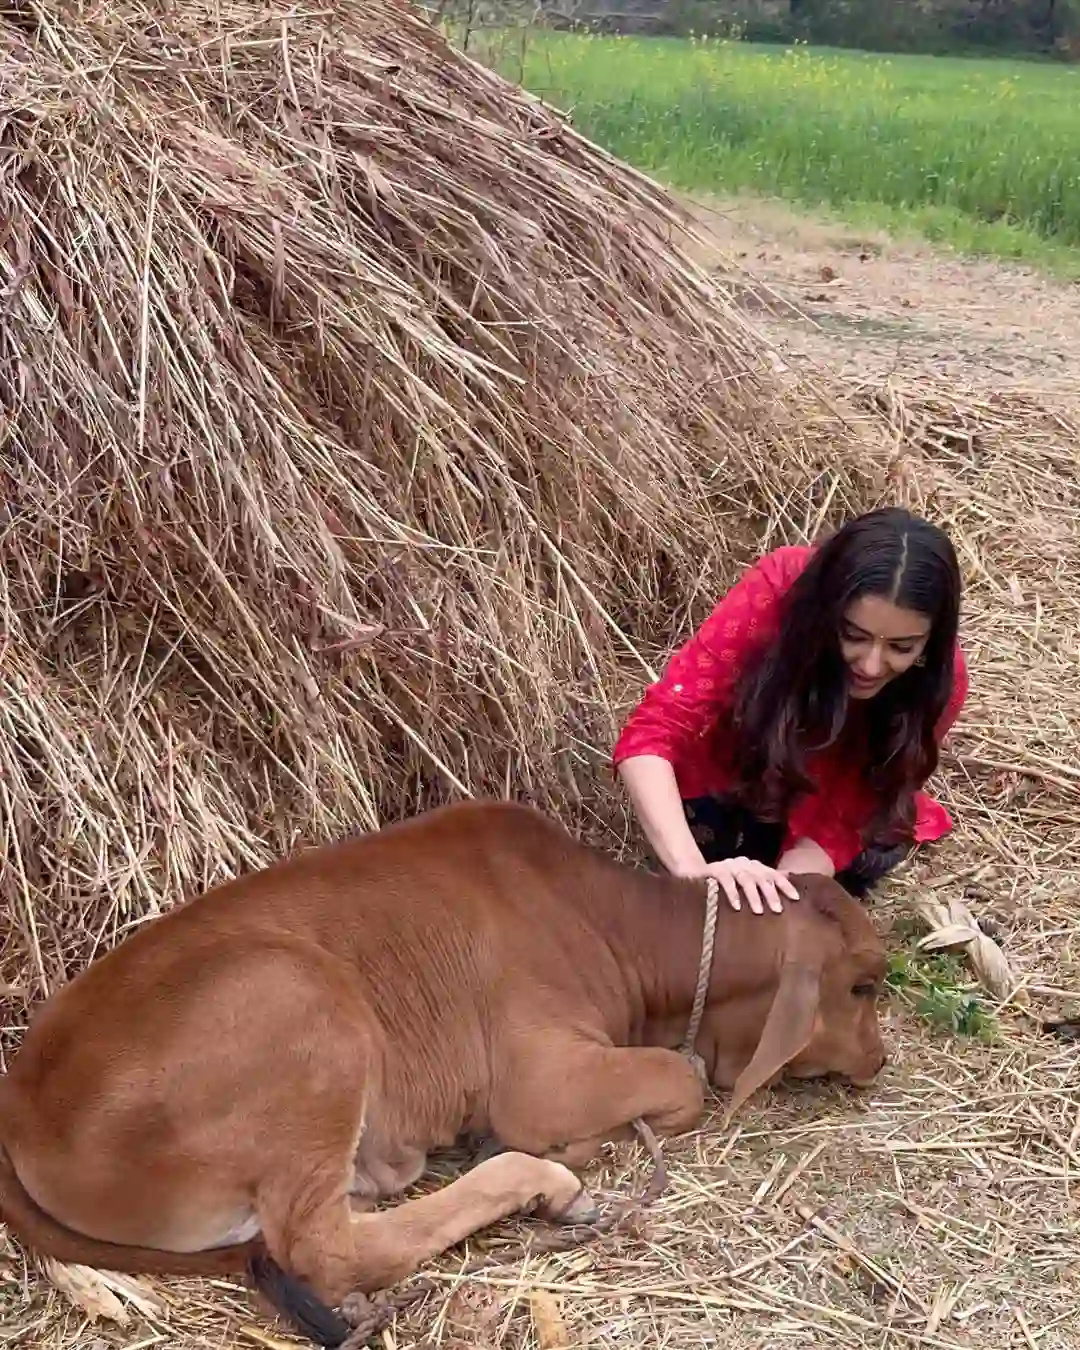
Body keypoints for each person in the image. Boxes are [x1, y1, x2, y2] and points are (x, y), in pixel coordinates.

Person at [612, 507, 967, 916]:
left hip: (825, 808)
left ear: (932, 638)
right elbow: (656, 730)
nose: (870, 665)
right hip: (739, 771)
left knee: (865, 855)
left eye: (901, 648)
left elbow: (852, 812)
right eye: (852, 635)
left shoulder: (941, 680)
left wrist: (785, 890)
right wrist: (692, 871)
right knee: (709, 841)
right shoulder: (779, 590)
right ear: (825, 610)